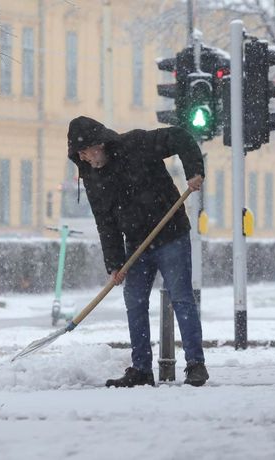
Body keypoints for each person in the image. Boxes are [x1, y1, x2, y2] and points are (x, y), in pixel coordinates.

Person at [67, 116, 209, 388]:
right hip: (136, 245)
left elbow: (179, 136)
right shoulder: (92, 177)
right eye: (79, 155)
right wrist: (114, 264)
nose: (83, 158)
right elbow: (105, 223)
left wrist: (194, 171)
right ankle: (141, 369)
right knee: (134, 302)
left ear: (99, 144)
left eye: (85, 151)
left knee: (181, 298)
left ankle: (195, 365)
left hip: (171, 234)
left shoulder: (136, 144)